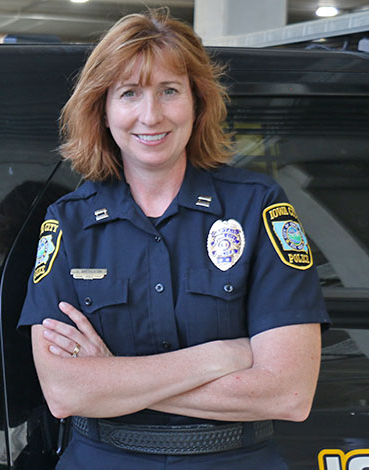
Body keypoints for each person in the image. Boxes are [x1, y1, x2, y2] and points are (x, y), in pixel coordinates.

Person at [17, 9, 330, 469]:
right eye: (129, 94)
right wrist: (225, 354)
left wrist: (113, 380)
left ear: (197, 102)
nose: (151, 115)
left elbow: (289, 393)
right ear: (102, 110)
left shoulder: (257, 208)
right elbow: (65, 392)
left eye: (169, 91)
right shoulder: (69, 225)